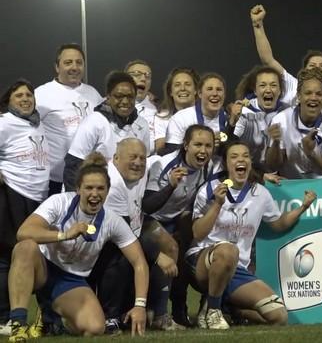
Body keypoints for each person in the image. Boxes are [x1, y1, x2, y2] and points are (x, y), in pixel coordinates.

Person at [5, 155, 148, 340]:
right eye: (89, 188)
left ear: (107, 191)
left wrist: (140, 305)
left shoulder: (113, 221)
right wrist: (63, 235)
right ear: (78, 189)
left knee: (95, 328)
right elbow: (23, 232)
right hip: (42, 268)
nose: (94, 193)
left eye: (100, 188)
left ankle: (51, 315)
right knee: (25, 248)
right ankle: (19, 325)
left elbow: (139, 262)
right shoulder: (59, 202)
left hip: (71, 280)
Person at [188, 141, 317, 329]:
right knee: (228, 250)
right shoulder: (210, 189)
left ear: (250, 162)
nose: (241, 159)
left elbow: (278, 224)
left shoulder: (260, 193)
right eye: (234, 156)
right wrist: (217, 204)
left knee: (278, 316)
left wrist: (303, 207)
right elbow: (198, 234)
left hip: (236, 268)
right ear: (226, 164)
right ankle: (212, 311)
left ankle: (231, 309)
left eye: (245, 155)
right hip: (203, 260)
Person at [89, 139, 179, 333]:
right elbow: (124, 233)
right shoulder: (111, 184)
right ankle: (110, 316)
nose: (138, 162)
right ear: (115, 158)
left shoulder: (138, 174)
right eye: (132, 157)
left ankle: (140, 312)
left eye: (142, 158)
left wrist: (170, 184)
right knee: (121, 256)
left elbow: (144, 208)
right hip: (92, 251)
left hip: (119, 239)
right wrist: (156, 255)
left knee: (155, 266)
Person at [144, 125, 218, 326]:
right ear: (186, 145)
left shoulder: (209, 167)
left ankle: (180, 309)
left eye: (208, 146)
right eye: (198, 144)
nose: (203, 150)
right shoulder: (164, 165)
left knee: (186, 254)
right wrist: (170, 186)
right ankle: (160, 315)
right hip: (148, 220)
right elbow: (147, 206)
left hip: (176, 218)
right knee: (172, 247)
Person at [0, 80, 51, 330]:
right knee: (6, 256)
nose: (25, 98)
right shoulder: (4, 122)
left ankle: (46, 318)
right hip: (12, 194)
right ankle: (3, 318)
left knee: (38, 254)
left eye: (28, 94)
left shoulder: (36, 121)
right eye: (18, 95)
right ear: (8, 101)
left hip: (38, 197)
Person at [63, 72, 150, 191]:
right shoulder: (94, 122)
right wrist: (76, 204)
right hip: (95, 196)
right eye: (119, 96)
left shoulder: (142, 124)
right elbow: (73, 165)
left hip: (128, 194)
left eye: (130, 96)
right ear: (108, 98)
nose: (125, 101)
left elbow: (143, 164)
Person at [35, 44, 103, 196]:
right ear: (57, 67)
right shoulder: (41, 94)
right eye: (68, 62)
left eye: (79, 62)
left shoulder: (93, 93)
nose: (74, 67)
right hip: (54, 180)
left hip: (90, 180)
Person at [265, 68, 322, 179]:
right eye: (308, 93)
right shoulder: (281, 121)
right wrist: (275, 143)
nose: (313, 98)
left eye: (319, 94)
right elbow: (273, 166)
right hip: (289, 186)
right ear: (299, 96)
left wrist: (311, 154)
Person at [232, 66, 287, 167]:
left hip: (278, 173)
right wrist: (232, 121)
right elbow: (231, 147)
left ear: (280, 90)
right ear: (255, 90)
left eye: (273, 85)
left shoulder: (287, 113)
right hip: (247, 172)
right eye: (262, 85)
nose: (268, 90)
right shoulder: (243, 112)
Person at [165, 73, 229, 154]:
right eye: (209, 89)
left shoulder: (230, 119)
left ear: (225, 94)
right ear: (200, 93)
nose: (215, 94)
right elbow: (172, 153)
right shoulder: (181, 118)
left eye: (219, 89)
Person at [153, 68, 199, 155]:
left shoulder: (206, 114)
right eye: (177, 85)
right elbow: (161, 149)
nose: (183, 88)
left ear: (196, 90)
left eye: (188, 84)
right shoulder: (162, 117)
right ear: (170, 92)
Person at [125, 60, 158, 154]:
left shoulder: (158, 110)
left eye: (147, 76)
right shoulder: (108, 106)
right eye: (136, 74)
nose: (143, 78)